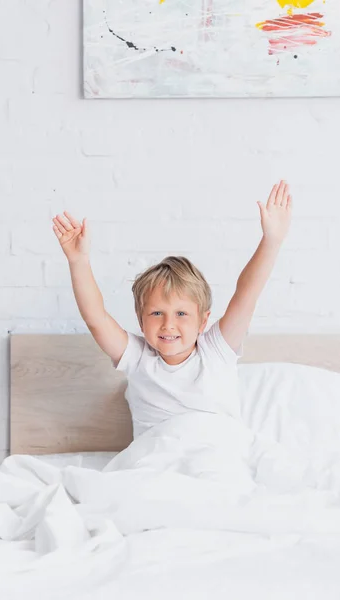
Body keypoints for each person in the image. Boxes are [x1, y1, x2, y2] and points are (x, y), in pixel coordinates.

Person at [52, 180, 292, 438]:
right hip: (158, 460)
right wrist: (79, 260)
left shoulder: (216, 353)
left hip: (215, 454)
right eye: (156, 313)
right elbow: (96, 318)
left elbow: (246, 295)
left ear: (203, 321)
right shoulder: (138, 358)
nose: (168, 324)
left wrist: (271, 241)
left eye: (181, 314)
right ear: (140, 320)